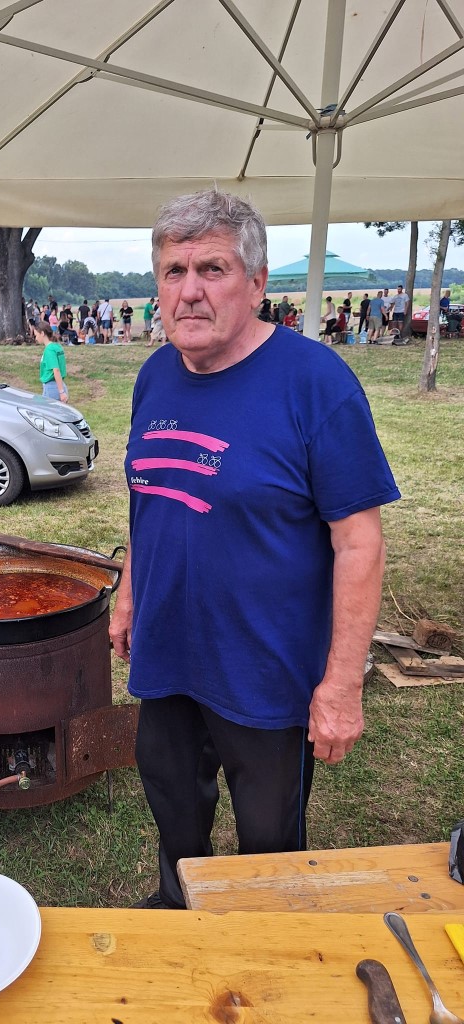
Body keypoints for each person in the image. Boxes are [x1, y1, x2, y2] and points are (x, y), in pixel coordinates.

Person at [108, 188, 400, 911]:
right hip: (168, 654)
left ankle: (261, 939)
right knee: (173, 804)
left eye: (212, 269)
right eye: (174, 271)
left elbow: (359, 543)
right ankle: (181, 908)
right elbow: (152, 496)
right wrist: (129, 592)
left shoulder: (315, 383)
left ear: (258, 282)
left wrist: (342, 685)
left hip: (266, 674)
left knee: (269, 843)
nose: (190, 291)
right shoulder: (156, 374)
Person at [35, 320, 68, 402]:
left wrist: (61, 392)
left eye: (36, 335)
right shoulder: (57, 346)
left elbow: (56, 370)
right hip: (61, 385)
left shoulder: (49, 349)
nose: (36, 338)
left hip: (52, 388)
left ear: (42, 333)